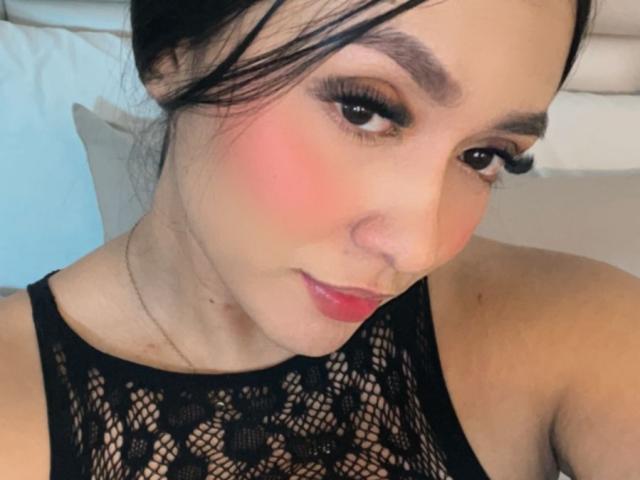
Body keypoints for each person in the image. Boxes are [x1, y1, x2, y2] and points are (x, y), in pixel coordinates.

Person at [3, 0, 639, 478]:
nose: (418, 249)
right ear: (171, 53)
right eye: (364, 109)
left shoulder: (574, 327)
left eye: (484, 155)